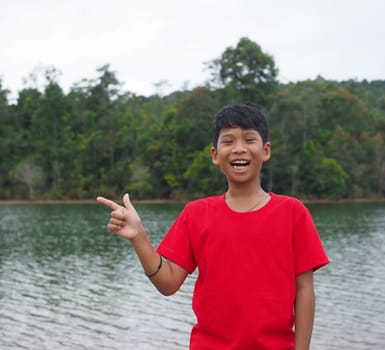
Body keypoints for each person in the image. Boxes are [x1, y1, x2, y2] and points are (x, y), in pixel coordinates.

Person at [97, 103, 329, 349]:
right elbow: (168, 283)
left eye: (249, 139)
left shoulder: (292, 212)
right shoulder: (196, 214)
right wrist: (139, 237)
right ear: (215, 155)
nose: (239, 149)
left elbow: (304, 290)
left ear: (266, 150)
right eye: (228, 141)